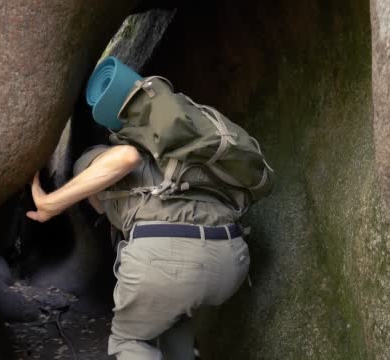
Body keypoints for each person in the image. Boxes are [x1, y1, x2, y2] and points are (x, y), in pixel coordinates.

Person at [27, 58, 258, 360]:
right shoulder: (189, 148)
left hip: (166, 259)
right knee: (173, 317)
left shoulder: (103, 153)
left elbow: (124, 159)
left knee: (129, 340)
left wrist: (50, 203)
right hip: (231, 258)